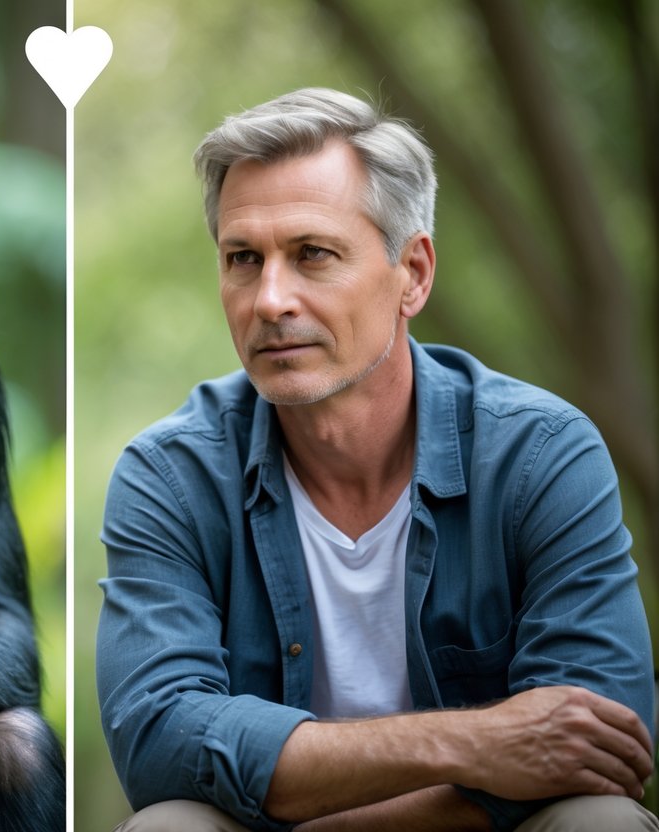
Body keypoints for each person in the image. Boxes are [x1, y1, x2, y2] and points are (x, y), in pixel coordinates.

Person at [95, 87, 656, 832]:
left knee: (601, 821)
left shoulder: (540, 454)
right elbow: (158, 744)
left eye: (311, 255)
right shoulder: (169, 474)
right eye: (241, 259)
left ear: (413, 274)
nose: (268, 300)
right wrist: (467, 741)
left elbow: (601, 745)